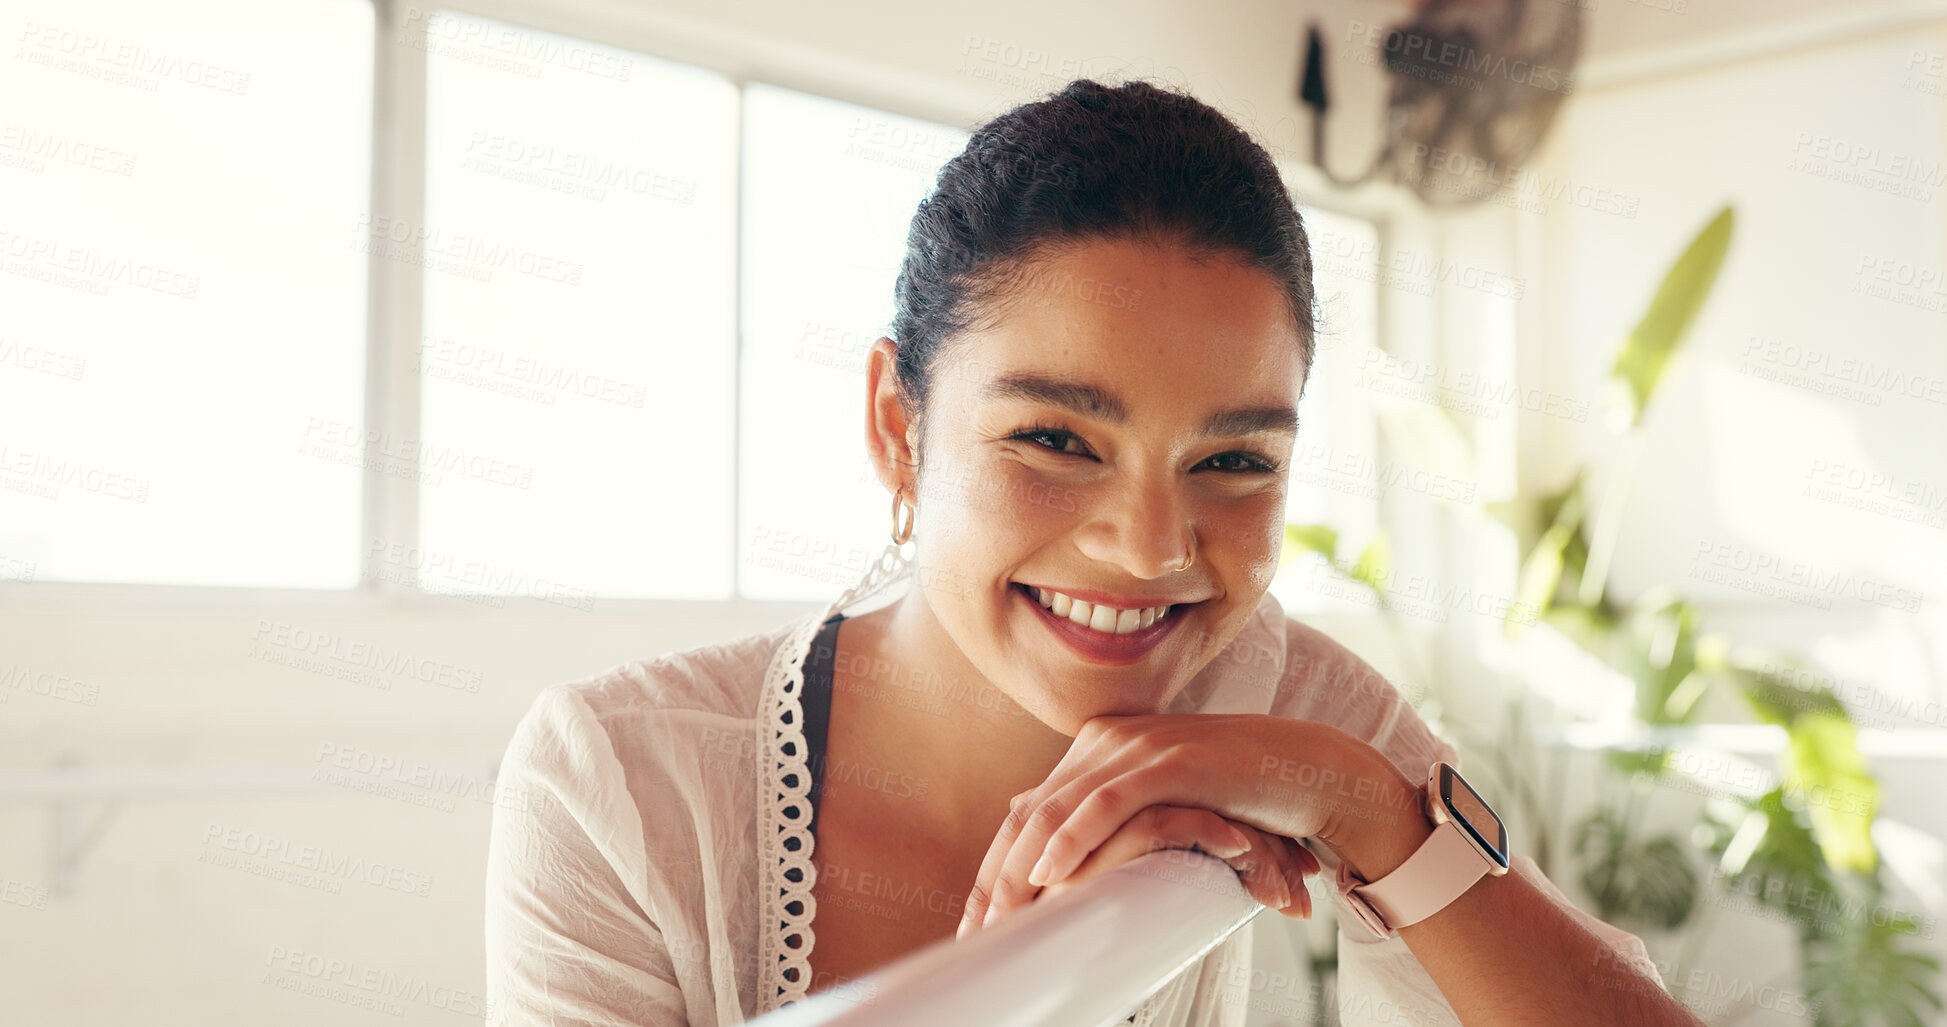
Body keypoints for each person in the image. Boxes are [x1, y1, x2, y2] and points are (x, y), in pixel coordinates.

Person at [484, 78, 1696, 1027]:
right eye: (1057, 439)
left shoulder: (1283, 697)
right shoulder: (622, 783)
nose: (1150, 548)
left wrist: (1370, 807)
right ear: (898, 428)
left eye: (1234, 459)